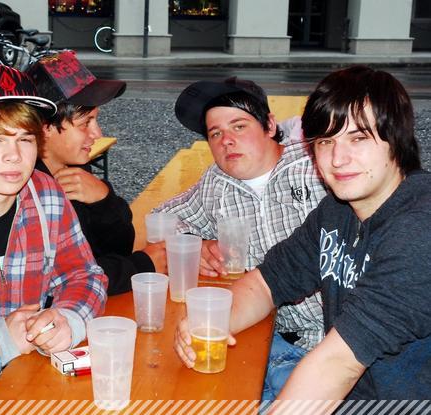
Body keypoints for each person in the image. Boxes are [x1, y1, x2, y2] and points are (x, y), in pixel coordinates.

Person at [174, 66, 431, 402]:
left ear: (396, 139)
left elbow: (338, 364)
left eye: (358, 138)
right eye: (326, 141)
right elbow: (267, 282)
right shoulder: (337, 211)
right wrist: (213, 319)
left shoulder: (419, 228)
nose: (338, 159)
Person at [154, 77, 327, 399]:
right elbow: (163, 216)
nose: (227, 141)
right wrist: (196, 244)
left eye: (239, 126)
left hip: (333, 340)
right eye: (215, 133)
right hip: (265, 334)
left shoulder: (315, 168)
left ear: (270, 125)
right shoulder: (217, 182)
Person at [0, 65, 108, 364]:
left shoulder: (44, 194)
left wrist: (68, 320)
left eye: (26, 139)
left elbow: (84, 275)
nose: (14, 155)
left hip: (28, 380)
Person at [26, 51, 167, 295]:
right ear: (45, 128)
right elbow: (58, 280)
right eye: (85, 123)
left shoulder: (76, 169)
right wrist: (141, 266)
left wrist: (103, 200)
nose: (97, 134)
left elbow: (118, 248)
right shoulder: (26, 190)